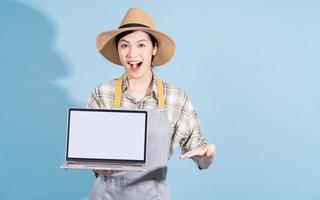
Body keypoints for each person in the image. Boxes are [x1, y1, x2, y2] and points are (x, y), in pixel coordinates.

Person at [87, 7, 216, 200]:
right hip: (106, 195)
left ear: (154, 48)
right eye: (124, 45)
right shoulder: (101, 93)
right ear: (118, 50)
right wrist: (96, 163)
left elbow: (200, 156)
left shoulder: (176, 98)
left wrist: (207, 156)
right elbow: (90, 153)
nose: (132, 53)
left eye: (141, 45)